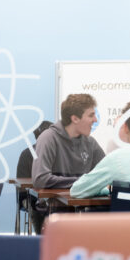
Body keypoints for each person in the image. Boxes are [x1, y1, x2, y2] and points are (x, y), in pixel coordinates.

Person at [30, 94, 105, 231]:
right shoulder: (48, 138)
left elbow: (105, 173)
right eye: (91, 115)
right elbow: (40, 179)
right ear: (75, 118)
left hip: (84, 209)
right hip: (54, 211)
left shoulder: (90, 143)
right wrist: (81, 181)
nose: (95, 120)